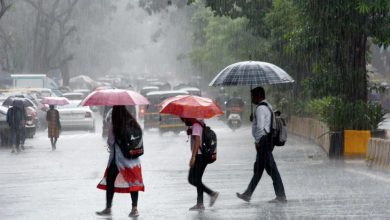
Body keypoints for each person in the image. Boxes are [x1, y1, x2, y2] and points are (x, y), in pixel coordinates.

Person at [236, 86, 287, 203]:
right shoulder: (267, 106)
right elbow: (263, 124)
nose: (252, 98)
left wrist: (257, 142)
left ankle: (281, 196)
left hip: (263, 141)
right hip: (267, 141)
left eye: (253, 96)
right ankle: (248, 194)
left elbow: (260, 127)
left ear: (259, 95)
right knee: (260, 170)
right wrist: (253, 119)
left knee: (271, 169)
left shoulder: (260, 109)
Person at [96, 105, 144, 217]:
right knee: (134, 182)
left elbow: (110, 141)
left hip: (118, 159)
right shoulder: (132, 122)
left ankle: (108, 208)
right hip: (133, 159)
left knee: (110, 182)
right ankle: (134, 208)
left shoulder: (115, 125)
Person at [181, 117, 219, 211]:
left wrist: (193, 157)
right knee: (197, 180)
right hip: (200, 156)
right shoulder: (198, 123)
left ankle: (212, 194)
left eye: (183, 119)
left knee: (192, 179)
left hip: (199, 156)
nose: (183, 121)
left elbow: (198, 141)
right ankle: (200, 204)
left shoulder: (196, 125)